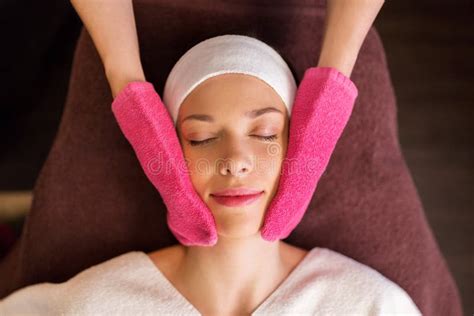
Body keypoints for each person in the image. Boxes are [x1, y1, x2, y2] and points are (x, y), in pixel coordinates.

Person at [0, 0, 422, 315]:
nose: (235, 160)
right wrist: (125, 81)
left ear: (303, 144)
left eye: (265, 133)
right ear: (162, 149)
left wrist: (330, 93)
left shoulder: (368, 305)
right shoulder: (99, 304)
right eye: (201, 138)